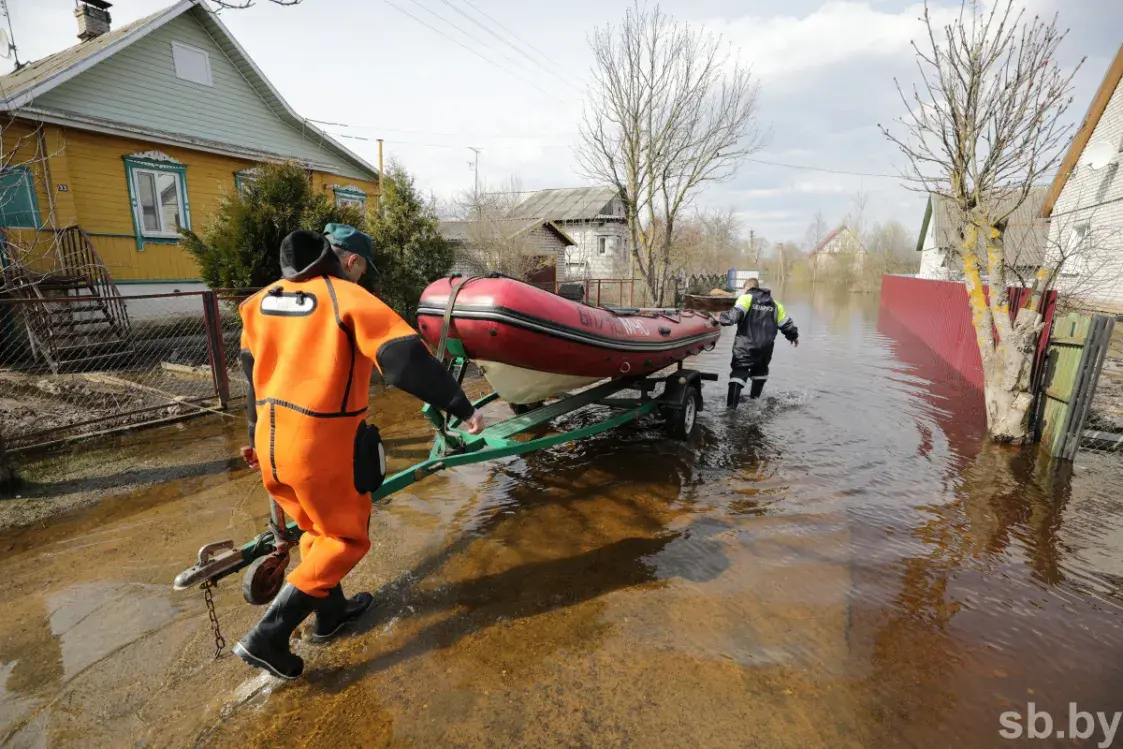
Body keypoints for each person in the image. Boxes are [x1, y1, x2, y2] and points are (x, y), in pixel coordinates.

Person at [234, 223, 485, 680]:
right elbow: (403, 360)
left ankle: (331, 614)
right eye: (363, 266)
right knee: (347, 539)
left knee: (313, 526)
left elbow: (249, 371)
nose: (362, 274)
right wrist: (459, 404)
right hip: (320, 444)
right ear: (346, 261)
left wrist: (253, 434)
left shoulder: (259, 302)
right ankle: (268, 637)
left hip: (271, 441)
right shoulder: (346, 299)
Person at [718, 278, 799, 407]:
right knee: (760, 374)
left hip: (745, 347)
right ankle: (755, 404)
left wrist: (719, 319)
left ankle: (731, 410)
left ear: (746, 288)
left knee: (738, 374)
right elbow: (787, 325)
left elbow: (732, 317)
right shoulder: (775, 304)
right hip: (765, 349)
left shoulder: (746, 298)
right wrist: (793, 336)